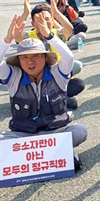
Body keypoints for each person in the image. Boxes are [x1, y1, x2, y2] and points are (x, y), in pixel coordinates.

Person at [0, 15, 87, 169]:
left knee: (80, 131)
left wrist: (49, 36)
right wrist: (7, 39)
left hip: (55, 132)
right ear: (19, 61)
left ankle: (40, 155)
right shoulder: (14, 76)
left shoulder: (57, 73)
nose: (30, 61)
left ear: (45, 58)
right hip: (23, 134)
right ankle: (57, 153)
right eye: (24, 57)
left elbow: (69, 57)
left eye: (35, 56)